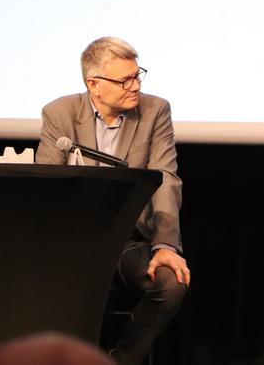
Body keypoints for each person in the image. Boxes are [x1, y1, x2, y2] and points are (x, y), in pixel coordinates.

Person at [36, 37, 190, 365]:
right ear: (94, 84)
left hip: (128, 240)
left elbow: (166, 179)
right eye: (125, 80)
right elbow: (47, 189)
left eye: (138, 75)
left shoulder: (155, 110)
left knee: (171, 285)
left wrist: (166, 246)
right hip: (73, 242)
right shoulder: (59, 113)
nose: (135, 86)